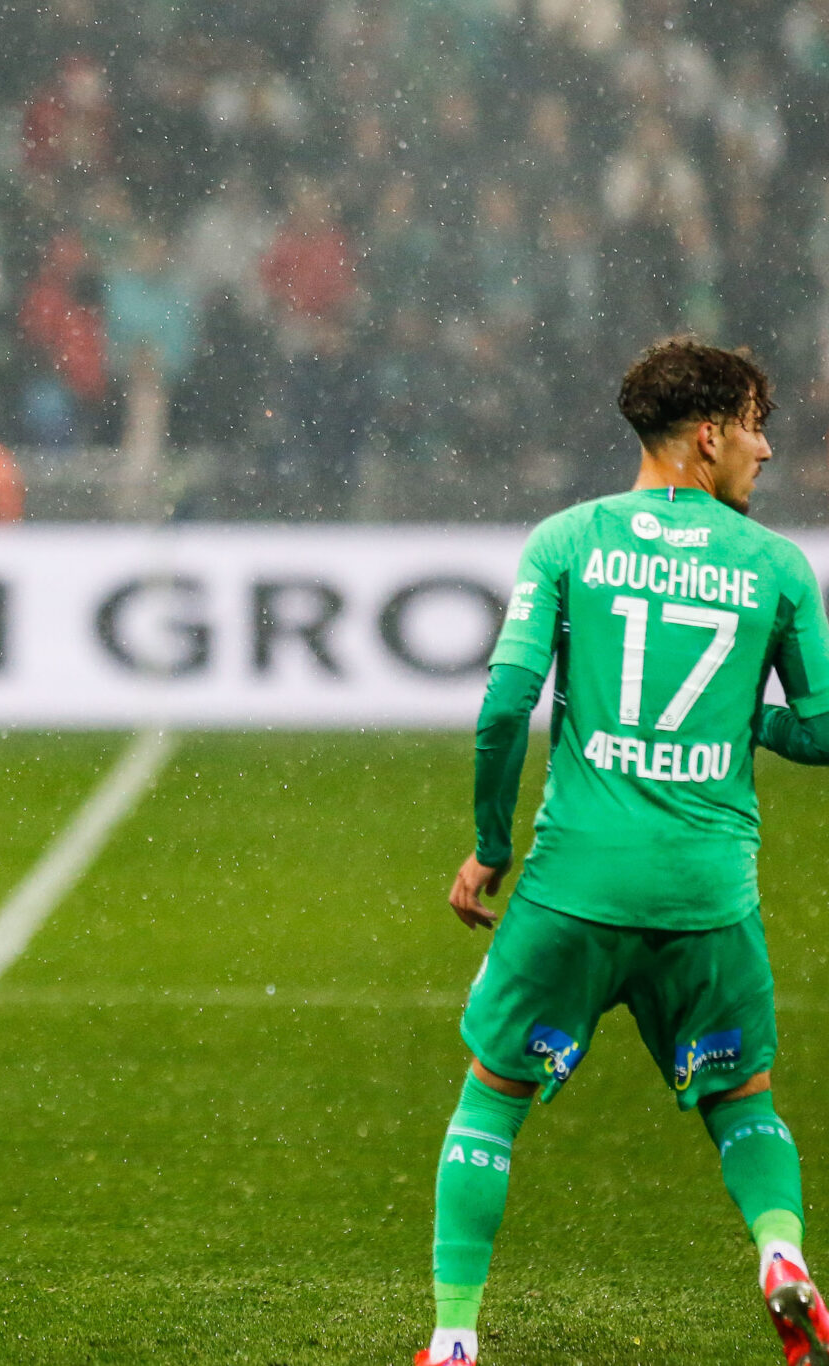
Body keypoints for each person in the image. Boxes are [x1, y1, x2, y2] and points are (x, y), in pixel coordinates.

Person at [422, 338, 829, 1366]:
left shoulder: (564, 542)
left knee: (491, 1094)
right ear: (705, 438)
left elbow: (504, 704)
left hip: (573, 885)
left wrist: (486, 845)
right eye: (750, 426)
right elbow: (822, 729)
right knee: (739, 1101)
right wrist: (746, 722)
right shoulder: (776, 566)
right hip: (705, 891)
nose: (765, 450)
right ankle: (779, 1253)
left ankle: (455, 1335)